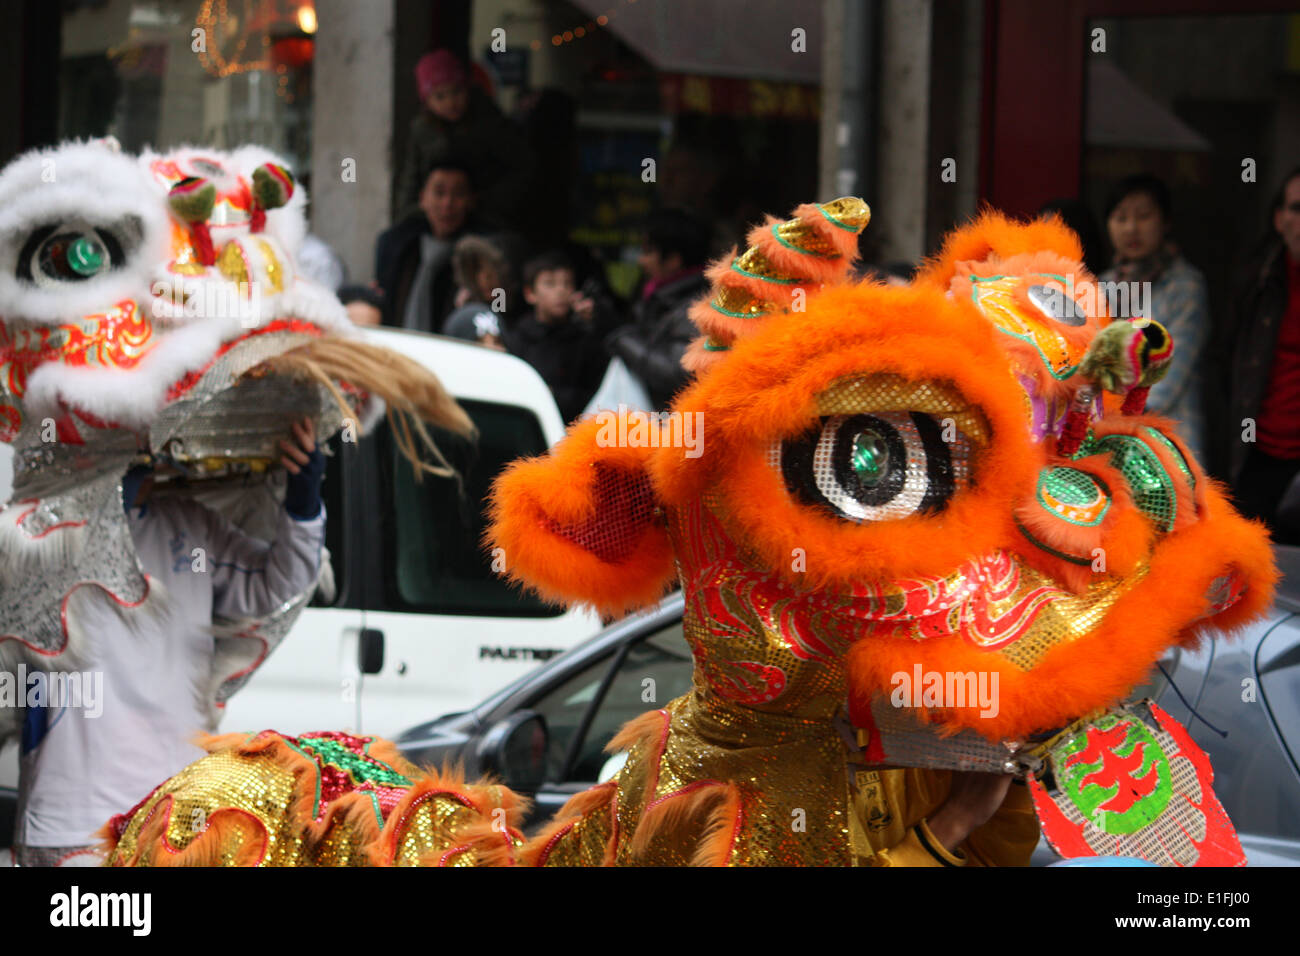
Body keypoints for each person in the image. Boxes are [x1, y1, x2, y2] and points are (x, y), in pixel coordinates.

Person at [12, 420, 326, 866]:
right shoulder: (45, 530)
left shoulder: (190, 525)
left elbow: (276, 584)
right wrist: (103, 502)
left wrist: (303, 504)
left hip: (172, 816)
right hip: (72, 819)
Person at [1099, 174, 1210, 461]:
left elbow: (1169, 376)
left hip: (1169, 442)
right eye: (1120, 217)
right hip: (1108, 439)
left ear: (1166, 222)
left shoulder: (1186, 285)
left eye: (1144, 216)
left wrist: (1107, 408)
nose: (1131, 228)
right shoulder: (1101, 286)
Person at [1223, 165, 1300, 541]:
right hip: (1257, 449)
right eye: (1297, 208)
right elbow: (1228, 362)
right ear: (1279, 218)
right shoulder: (1257, 279)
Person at [393, 49, 532, 226]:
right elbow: (412, 178)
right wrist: (407, 216)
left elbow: (520, 168)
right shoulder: (422, 130)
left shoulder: (490, 124)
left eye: (456, 91)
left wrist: (483, 202)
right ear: (427, 101)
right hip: (436, 219)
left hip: (487, 218)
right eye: (440, 96)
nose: (450, 102)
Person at [604, 208, 711, 411]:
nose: (640, 260)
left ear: (673, 260)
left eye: (648, 252)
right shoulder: (656, 295)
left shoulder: (697, 307)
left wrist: (618, 335)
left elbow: (675, 373)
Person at [502, 251, 612, 422]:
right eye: (550, 284)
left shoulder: (584, 340)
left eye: (567, 284)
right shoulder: (516, 339)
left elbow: (599, 397)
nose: (561, 291)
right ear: (530, 294)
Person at [376, 158, 484, 332]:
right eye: (439, 193)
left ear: (471, 201)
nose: (447, 204)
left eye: (458, 194)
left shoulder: (481, 252)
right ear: (422, 198)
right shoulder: (397, 247)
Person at [442, 235, 510, 349]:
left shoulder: (503, 299)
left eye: (491, 270)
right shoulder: (461, 305)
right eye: (477, 271)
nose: (485, 279)